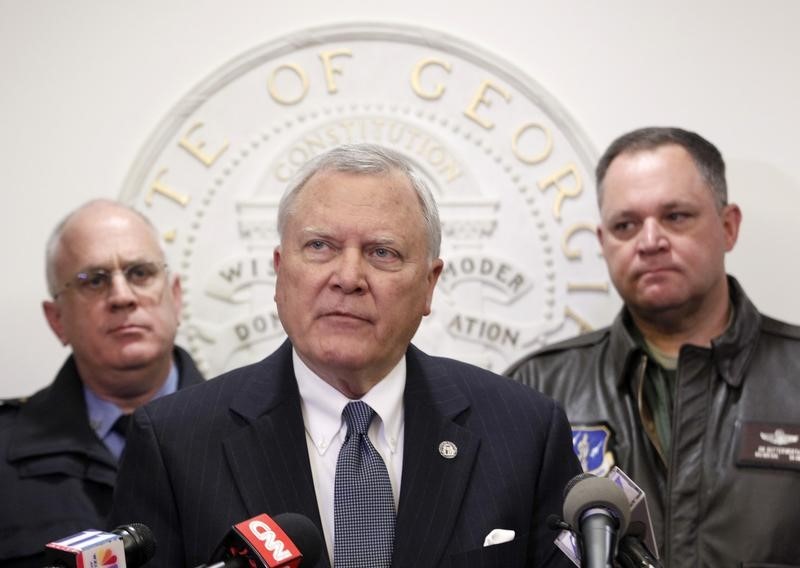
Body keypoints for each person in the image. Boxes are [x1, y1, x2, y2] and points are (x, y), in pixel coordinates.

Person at [109, 143, 581, 568]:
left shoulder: (525, 434)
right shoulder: (175, 443)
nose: (348, 276)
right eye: (320, 246)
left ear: (429, 286)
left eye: (383, 253)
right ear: (279, 272)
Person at [507, 127, 800, 567]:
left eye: (676, 216)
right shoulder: (536, 387)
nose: (649, 241)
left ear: (728, 226)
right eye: (625, 225)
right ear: (604, 244)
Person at [0, 199, 204, 567]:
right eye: (93, 280)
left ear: (175, 297)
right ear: (56, 318)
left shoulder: (251, 429)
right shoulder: (5, 452)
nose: (122, 297)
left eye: (140, 273)